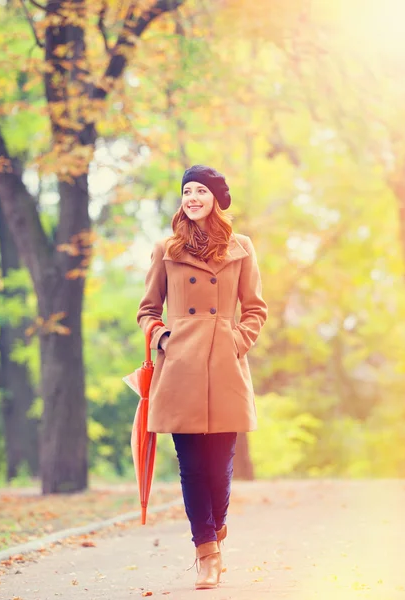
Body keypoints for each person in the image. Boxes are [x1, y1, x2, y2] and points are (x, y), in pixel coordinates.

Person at [137, 164, 267, 590]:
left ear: (215, 199)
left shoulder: (241, 247)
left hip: (226, 366)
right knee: (192, 466)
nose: (192, 197)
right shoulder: (166, 249)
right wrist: (164, 339)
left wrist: (236, 341)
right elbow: (147, 310)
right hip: (180, 369)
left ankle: (216, 525)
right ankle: (206, 550)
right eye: (186, 191)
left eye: (200, 191)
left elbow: (255, 309)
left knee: (219, 466)